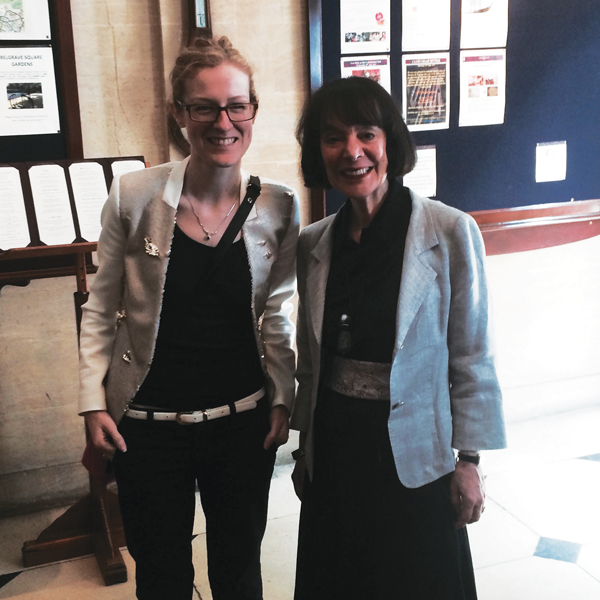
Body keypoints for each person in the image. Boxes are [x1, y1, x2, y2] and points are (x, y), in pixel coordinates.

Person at [78, 36, 299, 600]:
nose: (222, 121)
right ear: (179, 113)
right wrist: (91, 403)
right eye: (204, 106)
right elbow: (101, 306)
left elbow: (276, 311)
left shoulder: (278, 205)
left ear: (252, 111)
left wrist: (282, 395)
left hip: (241, 423)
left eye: (236, 105)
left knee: (238, 574)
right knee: (162, 577)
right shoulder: (134, 196)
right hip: (148, 431)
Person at [290, 76, 506, 600]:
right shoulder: (314, 243)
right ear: (318, 150)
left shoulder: (449, 230)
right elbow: (311, 363)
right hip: (338, 451)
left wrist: (469, 460)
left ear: (390, 141)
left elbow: (472, 355)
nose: (352, 151)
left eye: (366, 133)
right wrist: (305, 449)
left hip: (415, 454)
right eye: (333, 137)